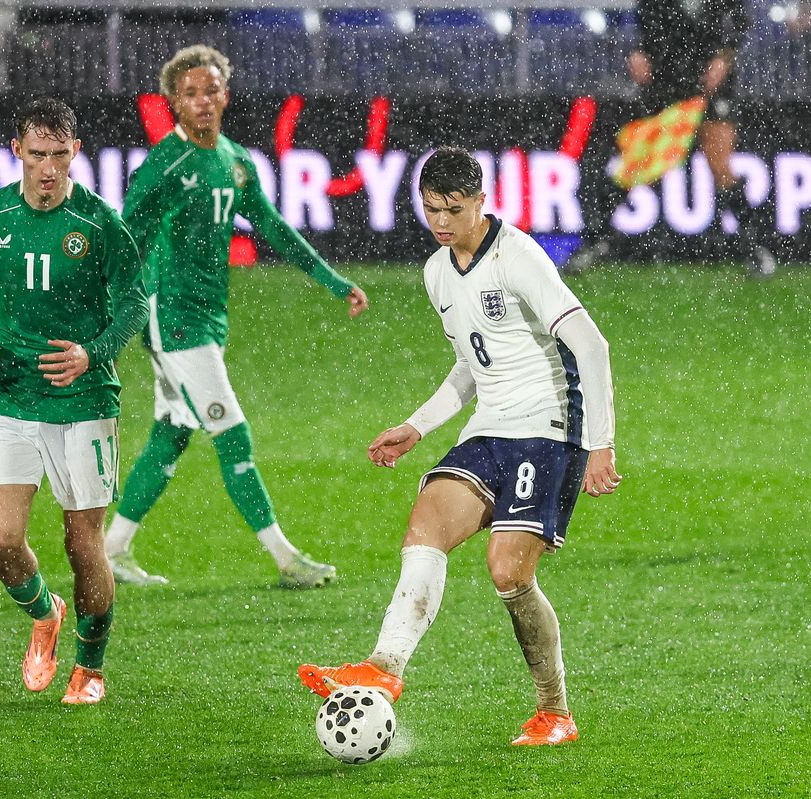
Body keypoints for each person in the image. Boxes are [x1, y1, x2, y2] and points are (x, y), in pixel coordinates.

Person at [299, 146, 621, 746]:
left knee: (507, 572)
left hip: (549, 428)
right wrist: (417, 426)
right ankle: (384, 669)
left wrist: (600, 445)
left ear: (480, 201)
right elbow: (470, 364)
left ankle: (555, 712)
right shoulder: (437, 271)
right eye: (430, 209)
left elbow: (591, 345)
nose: (442, 222)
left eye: (453, 209)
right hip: (490, 426)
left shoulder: (518, 256)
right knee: (425, 527)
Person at [103, 45, 370, 589]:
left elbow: (272, 229)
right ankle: (285, 558)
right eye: (190, 94)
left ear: (226, 93)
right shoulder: (166, 165)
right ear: (174, 104)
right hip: (172, 317)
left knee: (175, 429)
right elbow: (124, 236)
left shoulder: (234, 160)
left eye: (211, 90)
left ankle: (111, 550)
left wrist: (332, 281)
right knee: (233, 432)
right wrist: (114, 306)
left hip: (207, 315)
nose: (203, 102)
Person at [0, 98, 148, 705]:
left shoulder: (99, 224)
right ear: (17, 150)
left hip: (85, 402)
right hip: (11, 398)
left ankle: (91, 667)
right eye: (38, 155)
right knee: (2, 543)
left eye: (60, 156)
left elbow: (136, 301)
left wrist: (96, 350)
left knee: (81, 543)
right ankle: (45, 612)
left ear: (75, 154)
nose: (48, 169)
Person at [569, 0, 776, 279]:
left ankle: (757, 248)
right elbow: (645, 22)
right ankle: (596, 241)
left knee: (719, 165)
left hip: (709, 82)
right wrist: (639, 54)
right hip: (668, 78)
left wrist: (724, 58)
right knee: (641, 163)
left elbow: (738, 20)